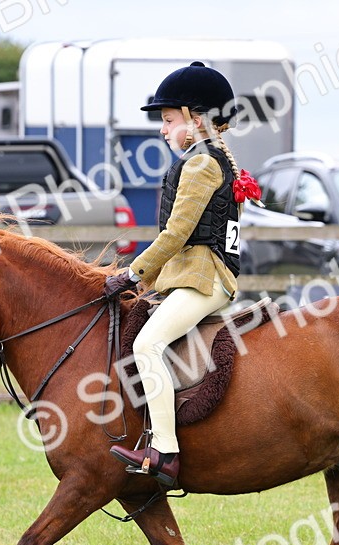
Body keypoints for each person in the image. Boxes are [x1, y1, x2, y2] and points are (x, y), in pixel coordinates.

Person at [105, 61, 262, 487]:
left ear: (196, 119)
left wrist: (133, 274)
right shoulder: (211, 159)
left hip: (203, 279)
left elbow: (176, 234)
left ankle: (165, 452)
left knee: (147, 345)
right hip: (195, 276)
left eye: (169, 120)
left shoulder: (201, 165)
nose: (163, 129)